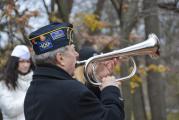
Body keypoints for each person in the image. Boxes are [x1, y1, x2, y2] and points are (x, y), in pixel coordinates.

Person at [24, 22, 124, 120]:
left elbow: (80, 110)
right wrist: (111, 90)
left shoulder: (32, 92)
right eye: (73, 50)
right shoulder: (72, 91)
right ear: (60, 58)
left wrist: (96, 80)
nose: (77, 54)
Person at [0, 45, 33, 120]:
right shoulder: (5, 83)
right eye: (22, 61)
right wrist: (31, 95)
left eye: (28, 61)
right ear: (14, 62)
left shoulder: (36, 79)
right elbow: (9, 109)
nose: (26, 65)